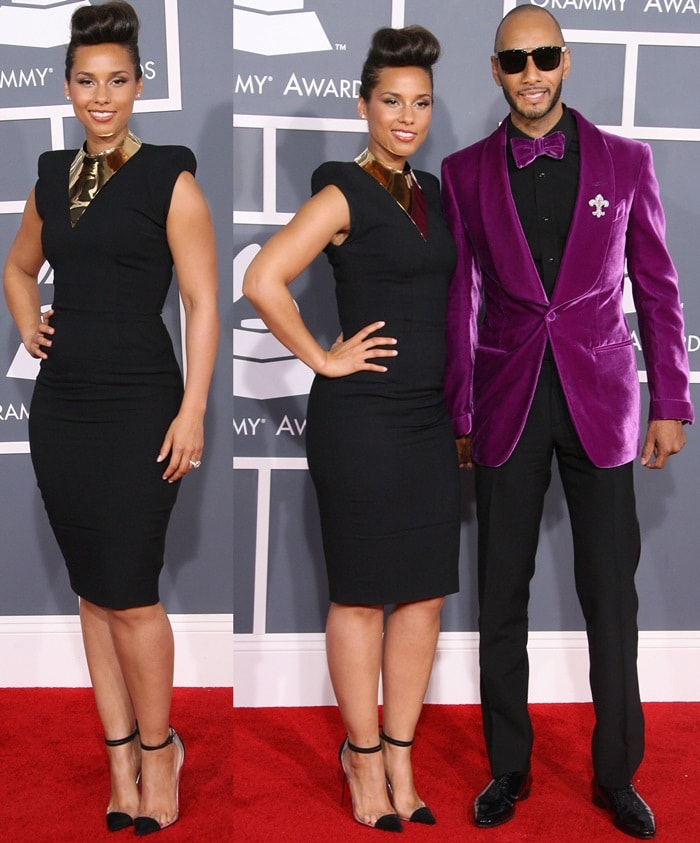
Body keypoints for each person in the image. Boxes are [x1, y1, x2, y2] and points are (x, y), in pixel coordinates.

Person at [441, 5, 693, 839]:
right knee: (500, 593)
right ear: (496, 71)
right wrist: (461, 407)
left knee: (609, 597)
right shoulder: (465, 171)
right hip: (508, 401)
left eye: (545, 56)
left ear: (567, 61)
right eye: (516, 61)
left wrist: (670, 400)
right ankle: (507, 768)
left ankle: (617, 774)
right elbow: (461, 297)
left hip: (604, 402)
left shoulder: (625, 161)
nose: (532, 72)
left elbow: (657, 287)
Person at [3, 1, 218, 835]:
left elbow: (202, 301)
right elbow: (20, 269)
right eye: (86, 82)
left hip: (141, 405)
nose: (102, 97)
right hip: (63, 412)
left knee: (131, 595)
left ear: (139, 85)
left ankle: (163, 750)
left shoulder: (172, 177)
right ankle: (120, 756)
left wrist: (194, 410)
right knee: (94, 595)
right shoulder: (49, 178)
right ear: (66, 86)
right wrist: (26, 315)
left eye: (117, 81)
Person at [243, 25, 459, 833]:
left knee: (425, 600)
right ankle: (362, 755)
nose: (408, 117)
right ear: (363, 104)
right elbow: (263, 277)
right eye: (392, 101)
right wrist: (322, 359)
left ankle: (401, 751)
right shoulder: (342, 189)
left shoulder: (436, 194)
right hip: (362, 422)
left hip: (429, 419)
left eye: (422, 103)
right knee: (363, 596)